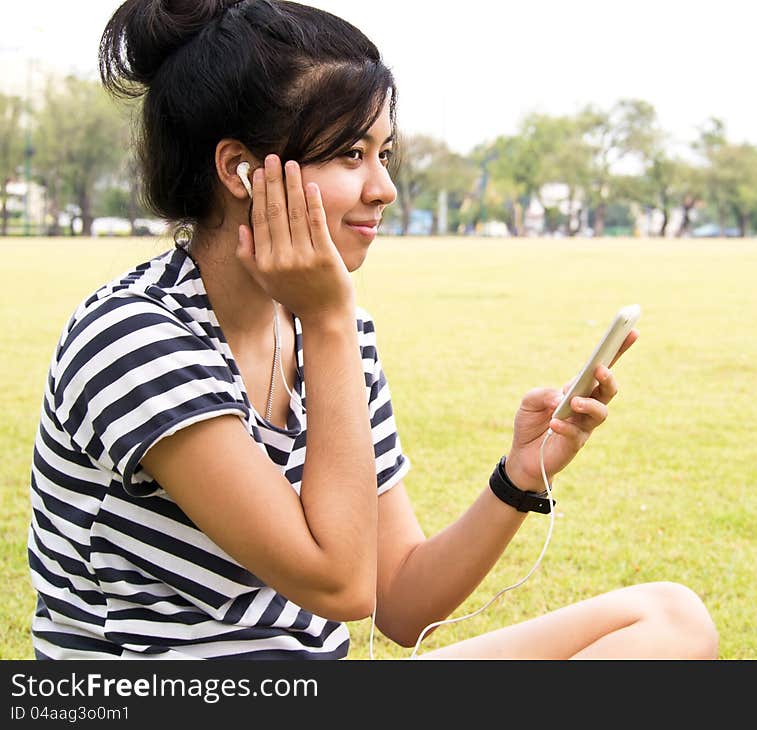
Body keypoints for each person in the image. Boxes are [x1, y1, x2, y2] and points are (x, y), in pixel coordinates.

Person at [27, 0, 718, 660]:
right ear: (240, 170)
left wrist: (519, 475)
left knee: (669, 622)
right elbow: (341, 585)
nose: (384, 188)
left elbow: (402, 601)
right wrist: (327, 320)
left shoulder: (332, 333)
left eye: (385, 153)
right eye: (351, 154)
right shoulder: (133, 338)